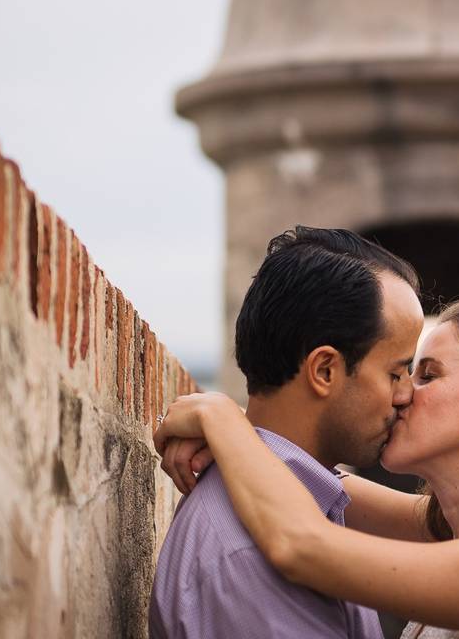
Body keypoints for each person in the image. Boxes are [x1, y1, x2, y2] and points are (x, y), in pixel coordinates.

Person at [156, 298, 459, 639]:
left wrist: (220, 417)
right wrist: (239, 431)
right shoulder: (454, 530)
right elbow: (313, 477)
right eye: (403, 371)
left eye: (427, 374)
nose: (402, 393)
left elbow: (302, 544)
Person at [148, 226, 424, 638]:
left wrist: (228, 423)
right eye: (397, 372)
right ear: (325, 370)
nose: (407, 396)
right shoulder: (248, 559)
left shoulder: (309, 501)